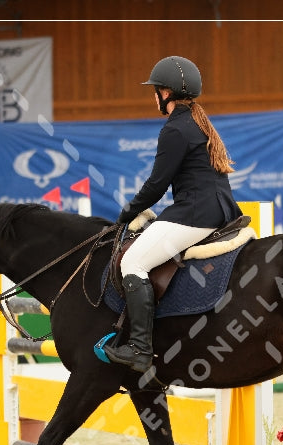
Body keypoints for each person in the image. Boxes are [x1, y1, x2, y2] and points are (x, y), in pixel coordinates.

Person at [104, 56, 243, 373]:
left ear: (164, 93)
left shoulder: (175, 129)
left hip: (195, 213)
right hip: (218, 209)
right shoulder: (197, 121)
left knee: (133, 262)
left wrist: (128, 211)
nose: (153, 96)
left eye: (154, 90)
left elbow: (156, 185)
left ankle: (139, 348)